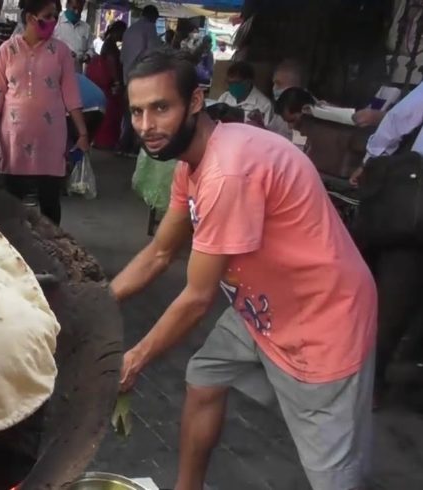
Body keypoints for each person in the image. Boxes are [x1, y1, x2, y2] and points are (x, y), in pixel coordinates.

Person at [116, 48, 376, 490]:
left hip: (321, 318)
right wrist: (92, 302)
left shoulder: (226, 172)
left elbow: (196, 298)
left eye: (161, 108)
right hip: (260, 306)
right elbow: (160, 253)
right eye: (138, 111)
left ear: (195, 101)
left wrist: (135, 360)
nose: (146, 126)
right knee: (204, 377)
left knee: (332, 475)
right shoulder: (191, 163)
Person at [348, 82, 423, 407]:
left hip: (407, 209)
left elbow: (396, 122)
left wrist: (371, 162)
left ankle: (370, 379)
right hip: (410, 211)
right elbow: (397, 121)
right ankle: (369, 379)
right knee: (394, 297)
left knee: (391, 296)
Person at [0, 0, 89, 225]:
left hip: (50, 140)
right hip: (13, 138)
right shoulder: (7, 50)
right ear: (29, 18)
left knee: (50, 202)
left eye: (55, 16)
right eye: (47, 16)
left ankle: (52, 249)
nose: (53, 21)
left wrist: (83, 134)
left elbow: (72, 96)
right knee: (12, 201)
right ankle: (13, 247)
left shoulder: (61, 52)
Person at [119, 5, 160, 154]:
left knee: (128, 114)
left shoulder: (130, 30)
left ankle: (123, 145)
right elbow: (154, 53)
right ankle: (133, 148)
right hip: (142, 77)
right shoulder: (149, 28)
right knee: (141, 114)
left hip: (127, 77)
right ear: (153, 17)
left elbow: (123, 57)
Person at [85, 20, 126, 148]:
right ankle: (105, 142)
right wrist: (117, 82)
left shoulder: (107, 44)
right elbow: (112, 63)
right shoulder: (110, 47)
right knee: (110, 115)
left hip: (105, 85)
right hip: (109, 85)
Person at [217, 60, 274, 126]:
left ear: (248, 82)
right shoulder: (225, 97)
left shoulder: (264, 105)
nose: (232, 87)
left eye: (236, 83)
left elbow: (265, 131)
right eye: (229, 83)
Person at [52, 0, 93, 72]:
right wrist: (65, 53)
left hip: (76, 73)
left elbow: (91, 49)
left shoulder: (86, 28)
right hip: (58, 72)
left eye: (79, 9)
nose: (76, 12)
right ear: (67, 5)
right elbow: (49, 46)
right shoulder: (56, 24)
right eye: (74, 8)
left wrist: (87, 56)